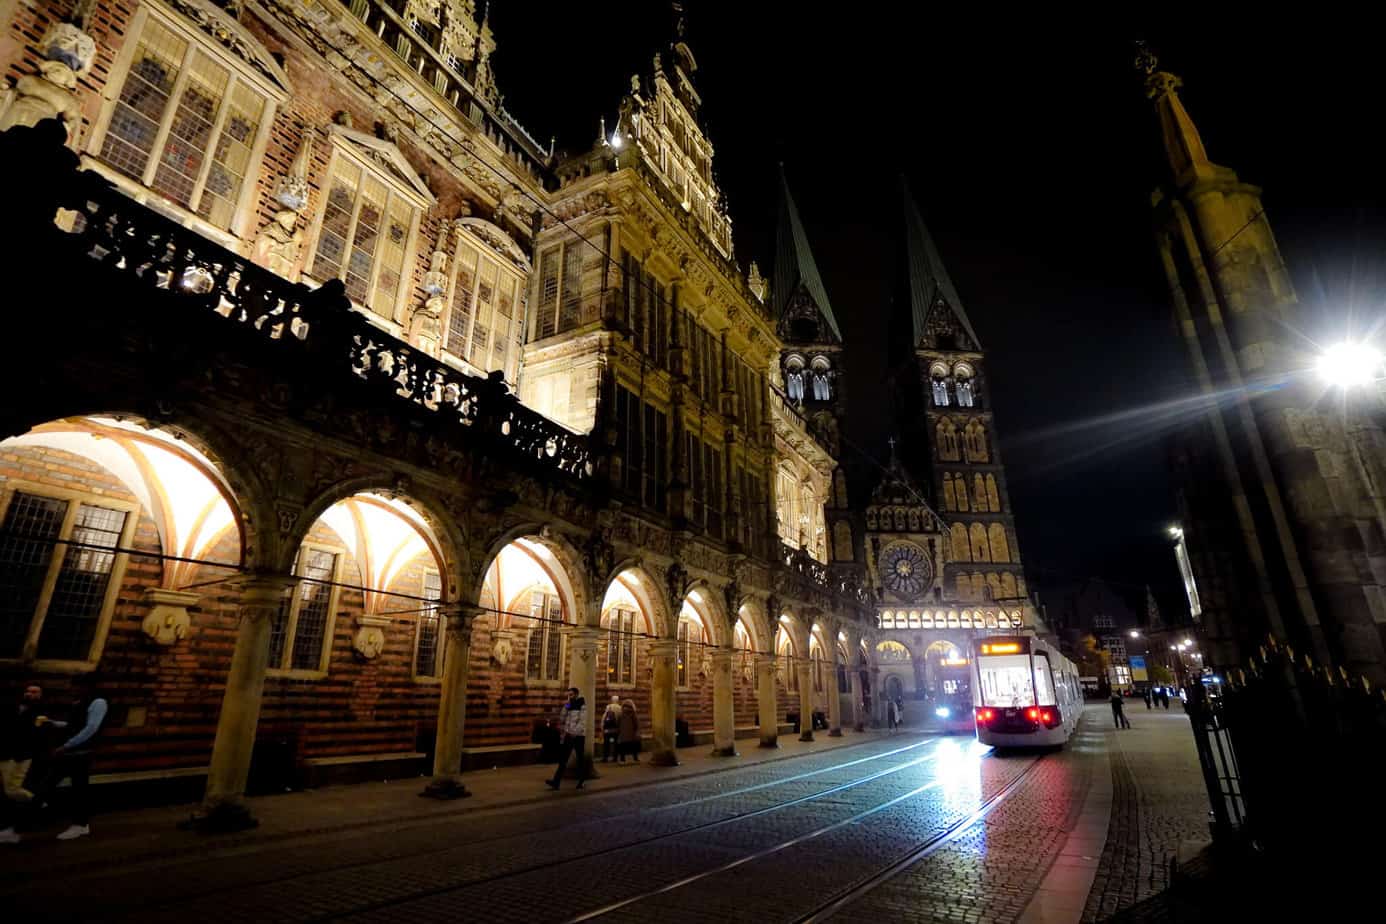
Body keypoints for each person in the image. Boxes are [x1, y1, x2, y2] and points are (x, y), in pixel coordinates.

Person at [37, 674, 108, 840]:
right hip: (74, 753)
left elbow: (91, 729)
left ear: (86, 686)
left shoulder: (98, 702)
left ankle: (80, 824)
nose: (72, 689)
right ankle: (80, 824)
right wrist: (54, 723)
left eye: (76, 686)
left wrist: (65, 746)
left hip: (80, 753)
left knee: (62, 786)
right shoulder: (80, 702)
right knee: (75, 788)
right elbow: (74, 725)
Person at [546, 688, 587, 791]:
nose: (570, 697)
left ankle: (581, 781)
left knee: (580, 759)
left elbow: (582, 722)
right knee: (563, 759)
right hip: (569, 735)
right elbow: (562, 718)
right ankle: (556, 782)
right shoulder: (569, 705)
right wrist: (566, 706)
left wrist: (575, 732)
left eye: (572, 695)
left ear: (577, 694)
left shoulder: (582, 705)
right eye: (569, 695)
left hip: (578, 737)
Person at [601, 696, 622, 763]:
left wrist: (602, 727)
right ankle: (615, 758)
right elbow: (620, 719)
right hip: (615, 729)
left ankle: (605, 758)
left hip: (608, 730)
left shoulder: (609, 706)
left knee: (606, 743)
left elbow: (604, 717)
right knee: (615, 743)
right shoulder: (620, 708)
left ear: (612, 700)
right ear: (618, 700)